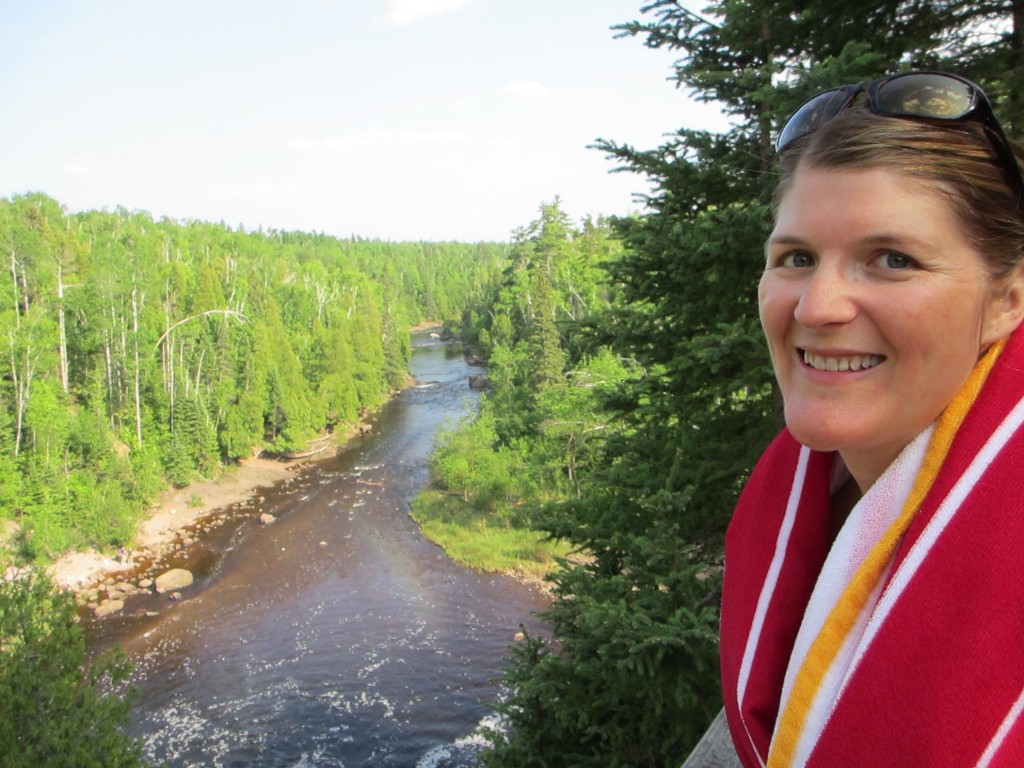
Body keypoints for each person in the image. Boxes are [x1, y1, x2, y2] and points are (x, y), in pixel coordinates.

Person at [719, 71, 1024, 768]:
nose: (818, 306)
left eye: (892, 259)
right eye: (796, 258)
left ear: (1007, 301)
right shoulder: (805, 495)